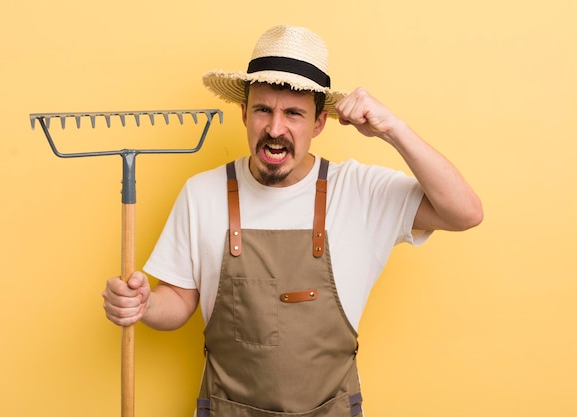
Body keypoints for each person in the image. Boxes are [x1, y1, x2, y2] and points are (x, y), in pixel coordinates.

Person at [102, 24, 483, 417]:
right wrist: (143, 305)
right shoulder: (202, 193)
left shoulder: (360, 190)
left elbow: (465, 212)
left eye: (294, 114)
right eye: (263, 109)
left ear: (319, 123)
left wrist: (394, 130)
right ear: (244, 112)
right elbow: (179, 300)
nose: (275, 129)